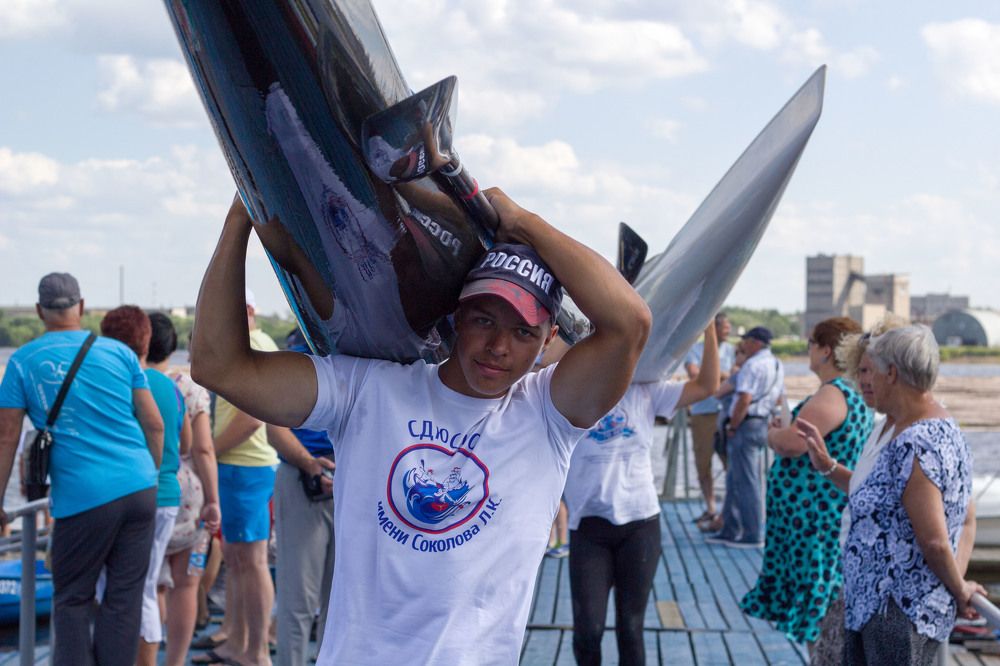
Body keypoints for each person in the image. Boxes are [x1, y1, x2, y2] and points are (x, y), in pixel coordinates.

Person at [189, 189, 651, 664]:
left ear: (549, 338)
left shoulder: (547, 416)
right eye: (484, 320)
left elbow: (629, 323)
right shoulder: (367, 389)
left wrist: (524, 222)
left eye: (523, 332)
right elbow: (218, 366)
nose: (498, 346)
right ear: (456, 316)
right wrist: (240, 216)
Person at [0, 273, 163, 666]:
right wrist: (148, 476)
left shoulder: (22, 361)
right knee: (123, 600)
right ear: (82, 307)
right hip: (140, 488)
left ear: (40, 311)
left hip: (83, 497)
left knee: (72, 598)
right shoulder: (120, 354)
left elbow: (6, 439)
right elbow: (154, 424)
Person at [798, 325, 983, 664]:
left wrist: (960, 590)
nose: (864, 382)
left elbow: (935, 541)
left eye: (871, 372)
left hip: (897, 613)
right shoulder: (940, 428)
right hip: (879, 606)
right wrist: (827, 465)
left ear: (892, 374)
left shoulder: (916, 442)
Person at [564, 321, 720, 665]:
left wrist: (707, 327)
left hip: (640, 525)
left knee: (630, 627)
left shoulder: (647, 389)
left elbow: (708, 385)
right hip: (588, 528)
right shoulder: (571, 388)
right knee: (587, 631)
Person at [738, 317, 872, 649]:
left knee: (824, 614)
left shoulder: (834, 393)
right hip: (817, 512)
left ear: (827, 351)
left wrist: (771, 433)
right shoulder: (847, 391)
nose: (808, 349)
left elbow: (794, 443)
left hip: (815, 516)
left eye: (812, 343)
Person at [194, 288, 279, 666]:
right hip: (237, 466)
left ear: (247, 311)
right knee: (238, 559)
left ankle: (256, 652)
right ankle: (240, 642)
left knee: (253, 560)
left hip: (246, 465)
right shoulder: (244, 347)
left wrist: (209, 448)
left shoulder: (256, 346)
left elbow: (253, 417)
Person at [100, 305, 188, 666]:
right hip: (168, 495)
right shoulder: (171, 386)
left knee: (116, 589)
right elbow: (182, 445)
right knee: (148, 587)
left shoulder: (125, 383)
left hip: (132, 494)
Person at [143, 312, 223, 666]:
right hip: (191, 495)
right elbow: (203, 449)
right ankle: (175, 661)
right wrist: (214, 499)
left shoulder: (137, 383)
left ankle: (147, 654)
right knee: (187, 585)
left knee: (154, 585)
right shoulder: (189, 386)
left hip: (153, 492)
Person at [270, 329, 337, 666]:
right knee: (298, 600)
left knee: (341, 604)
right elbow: (274, 429)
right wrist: (311, 466)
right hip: (301, 481)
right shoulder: (295, 358)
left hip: (350, 486)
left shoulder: (362, 353)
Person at [706, 326, 783, 548]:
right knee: (735, 479)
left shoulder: (752, 365)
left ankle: (752, 533)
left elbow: (744, 399)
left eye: (747, 341)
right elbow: (779, 398)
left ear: (756, 343)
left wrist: (733, 425)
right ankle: (730, 529)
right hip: (761, 424)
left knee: (747, 481)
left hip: (746, 425)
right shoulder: (776, 364)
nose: (743, 345)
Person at [684, 312, 736, 527]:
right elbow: (695, 376)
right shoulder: (694, 350)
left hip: (725, 413)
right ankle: (711, 508)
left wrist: (714, 376)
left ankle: (729, 509)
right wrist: (724, 375)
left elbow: (737, 374)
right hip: (702, 414)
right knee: (703, 463)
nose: (729, 330)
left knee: (729, 463)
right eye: (725, 327)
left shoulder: (732, 351)